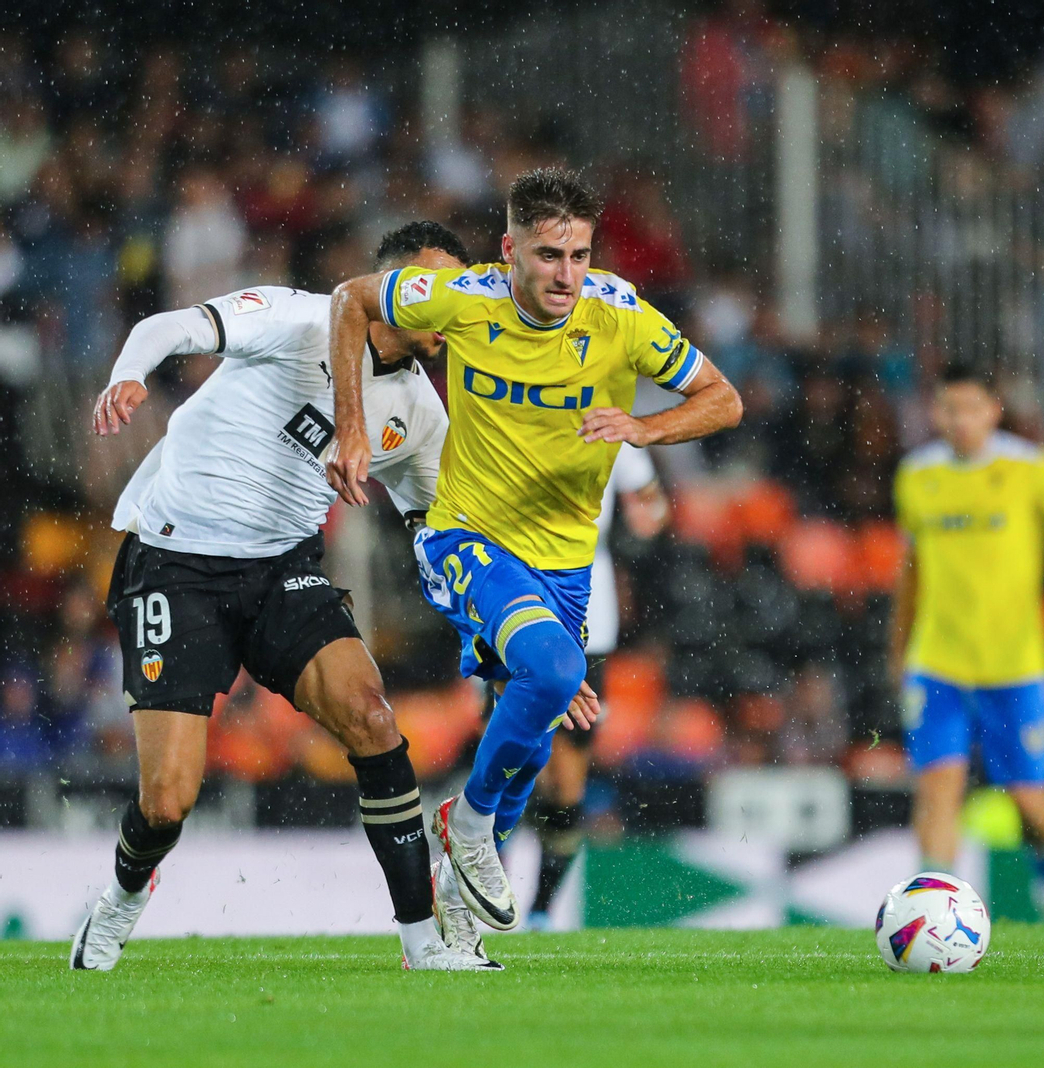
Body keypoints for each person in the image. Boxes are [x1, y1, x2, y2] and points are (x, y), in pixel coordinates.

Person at [324, 169, 741, 943]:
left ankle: (459, 903)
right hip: (466, 537)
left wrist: (645, 430)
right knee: (553, 673)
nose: (567, 275)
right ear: (509, 249)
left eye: (581, 255)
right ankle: (469, 825)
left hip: (566, 565)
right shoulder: (465, 297)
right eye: (550, 256)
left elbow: (724, 399)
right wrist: (352, 427)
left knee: (532, 747)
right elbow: (351, 299)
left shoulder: (621, 317)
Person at [77, 222, 501, 971]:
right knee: (167, 802)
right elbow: (168, 326)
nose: (449, 309)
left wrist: (516, 643)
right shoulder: (297, 315)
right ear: (395, 286)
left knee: (373, 720)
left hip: (283, 572)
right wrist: (130, 374)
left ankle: (423, 944)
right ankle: (120, 897)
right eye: (434, 289)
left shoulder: (420, 414)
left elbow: (450, 541)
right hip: (176, 563)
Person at [889, 364, 1044, 926]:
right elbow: (911, 572)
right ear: (934, 412)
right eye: (947, 409)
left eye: (970, 408)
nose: (959, 421)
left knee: (1030, 803)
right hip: (938, 662)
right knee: (939, 790)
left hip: (1015, 667)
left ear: (994, 409)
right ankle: (928, 920)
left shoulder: (1030, 468)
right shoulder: (916, 476)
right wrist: (899, 650)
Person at [525, 442, 669, 931]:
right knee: (507, 762)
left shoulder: (612, 435)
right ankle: (477, 902)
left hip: (588, 619)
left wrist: (647, 516)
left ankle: (541, 910)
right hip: (512, 603)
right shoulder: (511, 414)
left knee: (565, 778)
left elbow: (652, 504)